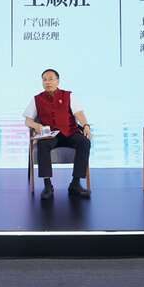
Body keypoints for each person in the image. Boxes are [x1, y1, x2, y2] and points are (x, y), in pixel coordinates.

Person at [24, 69, 92, 200]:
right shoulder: (37, 99)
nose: (47, 82)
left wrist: (86, 125)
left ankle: (75, 184)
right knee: (43, 144)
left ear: (57, 81)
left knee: (84, 142)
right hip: (51, 135)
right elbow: (28, 120)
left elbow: (79, 113)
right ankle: (47, 186)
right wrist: (37, 126)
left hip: (70, 132)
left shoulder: (68, 95)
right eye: (44, 79)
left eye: (51, 79)